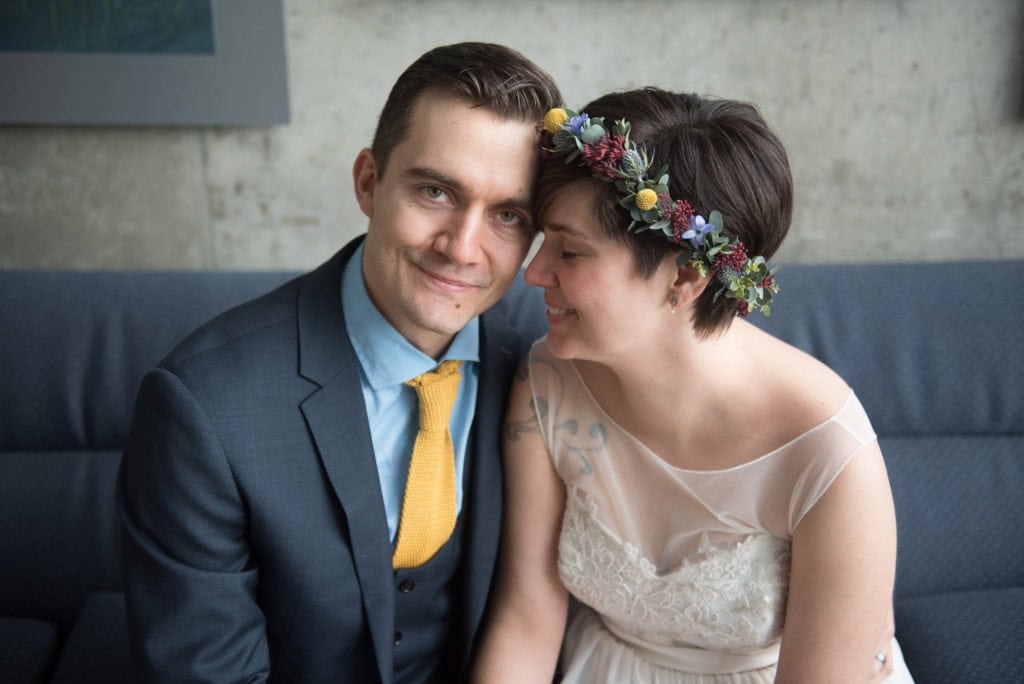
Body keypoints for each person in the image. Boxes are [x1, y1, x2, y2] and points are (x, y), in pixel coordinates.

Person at [117, 42, 561, 683]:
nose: (463, 248)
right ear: (368, 182)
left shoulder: (544, 362)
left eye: (508, 215)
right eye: (435, 191)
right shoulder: (204, 406)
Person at [472, 88, 915, 682]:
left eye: (570, 252)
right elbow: (525, 622)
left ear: (685, 273)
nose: (533, 272)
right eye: (543, 239)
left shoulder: (829, 455)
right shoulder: (546, 379)